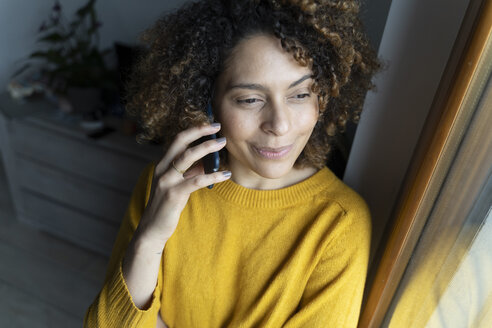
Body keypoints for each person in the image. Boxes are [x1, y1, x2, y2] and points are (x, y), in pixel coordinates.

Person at [84, 0, 380, 327]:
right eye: (250, 99)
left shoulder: (340, 223)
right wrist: (150, 239)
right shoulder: (165, 187)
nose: (279, 125)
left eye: (300, 95)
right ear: (206, 103)